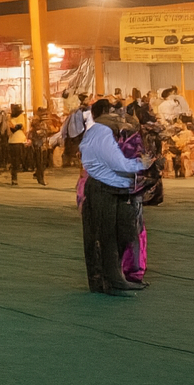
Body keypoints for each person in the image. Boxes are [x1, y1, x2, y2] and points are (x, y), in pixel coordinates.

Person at [79, 99, 153, 295]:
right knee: (108, 236)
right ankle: (111, 280)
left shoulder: (98, 130)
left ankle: (108, 279)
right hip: (104, 186)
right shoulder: (104, 130)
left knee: (111, 234)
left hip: (106, 186)